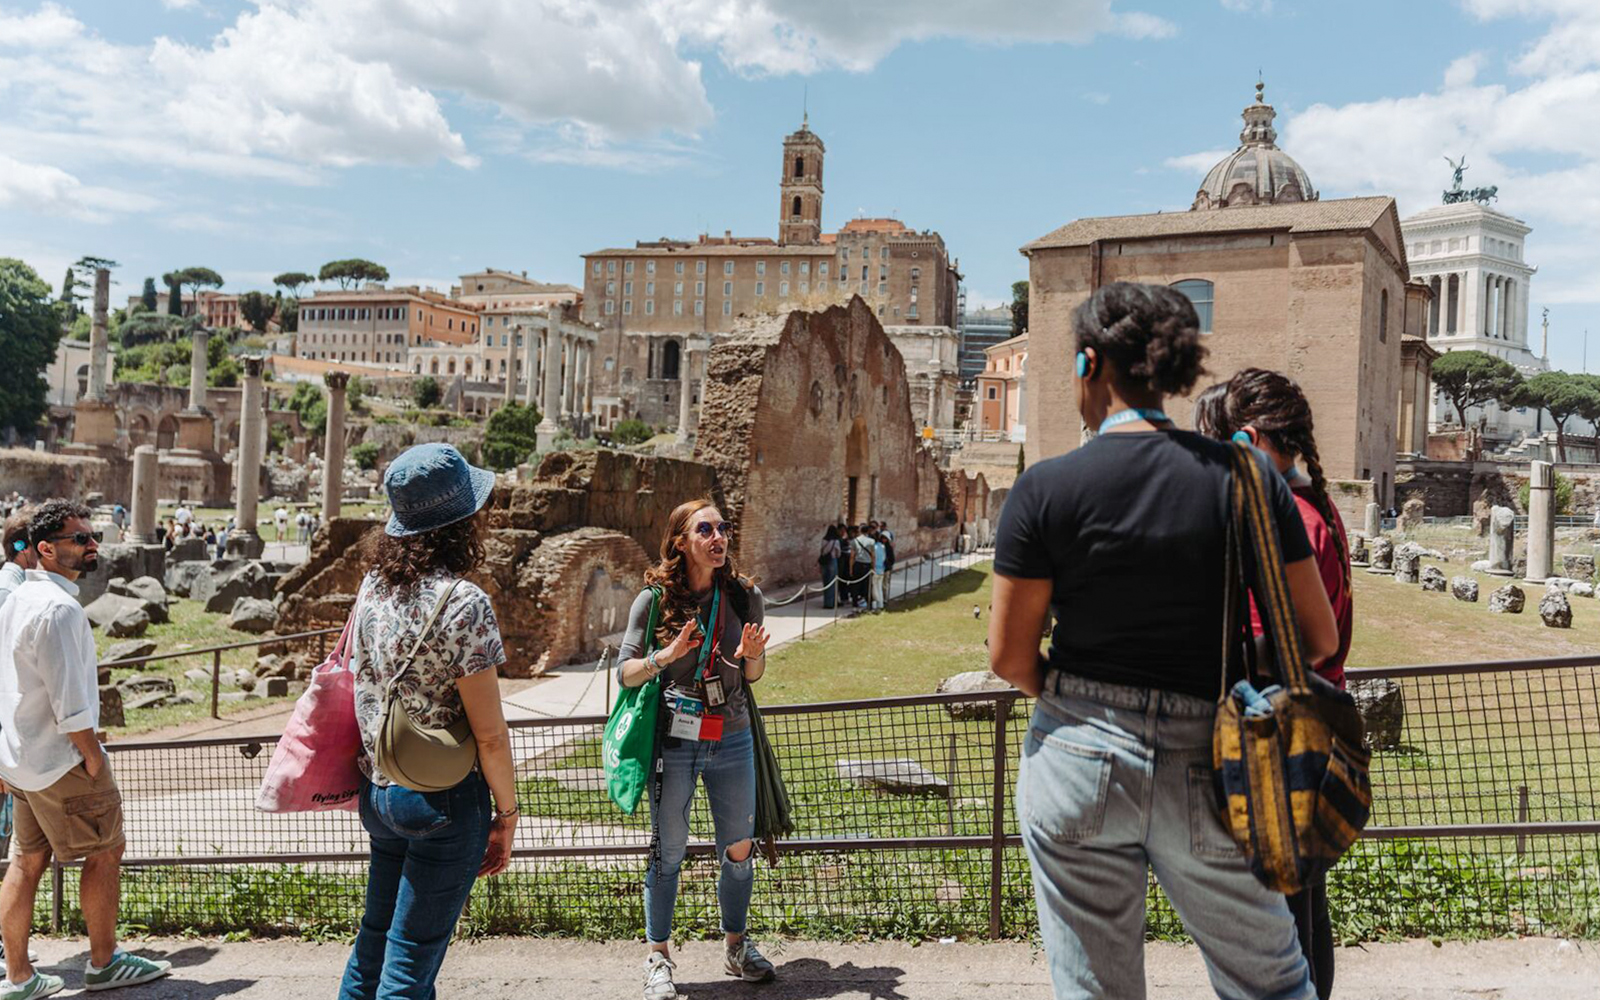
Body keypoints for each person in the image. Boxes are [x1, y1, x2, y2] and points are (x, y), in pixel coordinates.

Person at [987, 282, 1337, 1000]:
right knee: (1272, 987)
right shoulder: (1245, 480)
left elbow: (1009, 657)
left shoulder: (1045, 489)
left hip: (1077, 754)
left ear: (1090, 365)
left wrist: (1078, 702)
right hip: (1212, 757)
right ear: (1170, 371)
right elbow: (1318, 634)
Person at [339, 443, 519, 1000]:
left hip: (381, 789)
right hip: (442, 797)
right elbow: (489, 734)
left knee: (375, 944)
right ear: (463, 520)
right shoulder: (464, 603)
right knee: (411, 965)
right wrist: (508, 814)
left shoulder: (373, 586)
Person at [1195, 368, 1352, 1000]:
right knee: (1304, 923)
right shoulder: (1313, 503)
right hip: (1306, 736)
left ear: (1252, 439)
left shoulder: (1289, 521)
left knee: (1273, 939)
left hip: (1275, 745)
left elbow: (1269, 646)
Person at [0, 501, 173, 999]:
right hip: (62, 760)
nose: (92, 544)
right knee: (105, 851)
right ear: (46, 548)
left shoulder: (15, 600)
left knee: (26, 861)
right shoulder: (59, 609)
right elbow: (70, 701)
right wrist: (93, 757)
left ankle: (19, 978)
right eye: (80, 538)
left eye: (92, 535)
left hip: (22, 760)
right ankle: (103, 963)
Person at [616, 499, 774, 1000]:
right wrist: (666, 655)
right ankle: (658, 957)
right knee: (668, 849)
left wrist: (754, 657)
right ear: (681, 541)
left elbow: (751, 677)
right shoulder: (653, 599)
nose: (718, 537)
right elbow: (624, 673)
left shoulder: (745, 596)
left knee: (739, 847)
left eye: (722, 527)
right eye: (705, 529)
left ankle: (736, 946)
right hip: (676, 738)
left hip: (732, 733)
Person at [850, 525, 875, 609]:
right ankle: (868, 601)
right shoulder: (871, 541)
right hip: (867, 564)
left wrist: (850, 568)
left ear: (859, 531)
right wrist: (873, 566)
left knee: (856, 583)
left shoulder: (855, 541)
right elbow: (873, 555)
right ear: (868, 531)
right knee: (867, 584)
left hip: (857, 564)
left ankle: (854, 601)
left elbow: (852, 556)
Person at [818, 525, 841, 611]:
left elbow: (822, 550)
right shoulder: (836, 541)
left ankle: (826, 602)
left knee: (826, 583)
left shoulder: (824, 540)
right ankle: (832, 603)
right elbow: (838, 553)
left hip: (824, 561)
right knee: (833, 582)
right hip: (832, 560)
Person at [869, 528, 887, 611]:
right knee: (879, 587)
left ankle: (876, 604)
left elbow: (873, 558)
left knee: (874, 588)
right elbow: (883, 557)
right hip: (881, 569)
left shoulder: (874, 547)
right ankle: (881, 603)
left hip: (875, 569)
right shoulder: (882, 546)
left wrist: (872, 567)